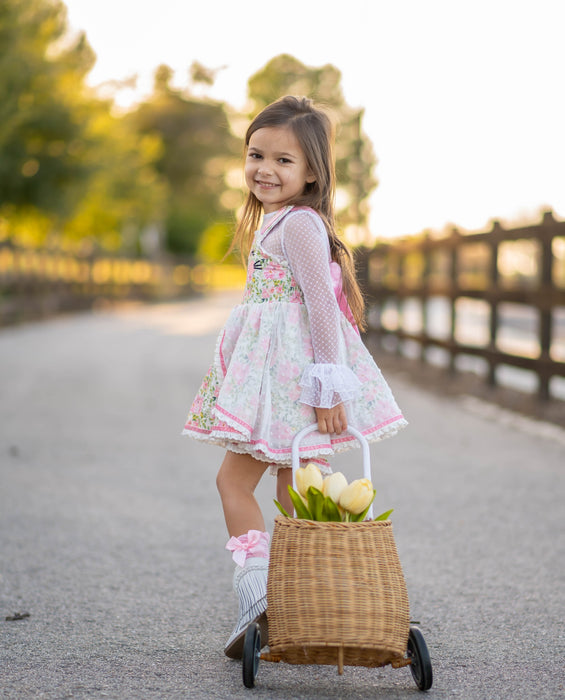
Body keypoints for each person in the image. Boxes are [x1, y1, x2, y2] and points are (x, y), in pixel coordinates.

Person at [183, 95, 407, 658]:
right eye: (257, 154)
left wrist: (328, 389)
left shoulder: (301, 225)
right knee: (292, 493)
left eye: (284, 161)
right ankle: (289, 602)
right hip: (280, 377)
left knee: (237, 483)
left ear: (312, 173)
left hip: (294, 383)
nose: (266, 169)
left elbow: (321, 307)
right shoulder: (275, 223)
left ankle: (260, 598)